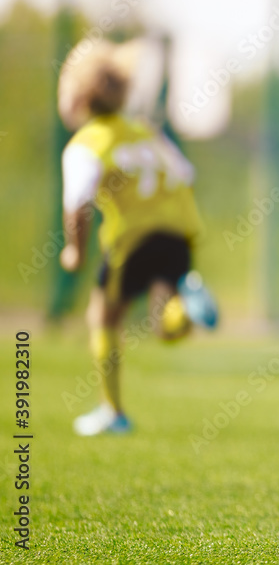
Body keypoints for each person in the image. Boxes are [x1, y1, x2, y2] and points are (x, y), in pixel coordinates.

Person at [58, 38, 218, 437]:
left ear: (78, 97)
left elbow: (77, 203)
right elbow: (186, 173)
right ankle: (185, 305)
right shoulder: (144, 130)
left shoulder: (86, 143)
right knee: (164, 325)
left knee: (103, 316)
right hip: (179, 230)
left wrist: (74, 251)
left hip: (133, 238)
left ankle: (113, 412)